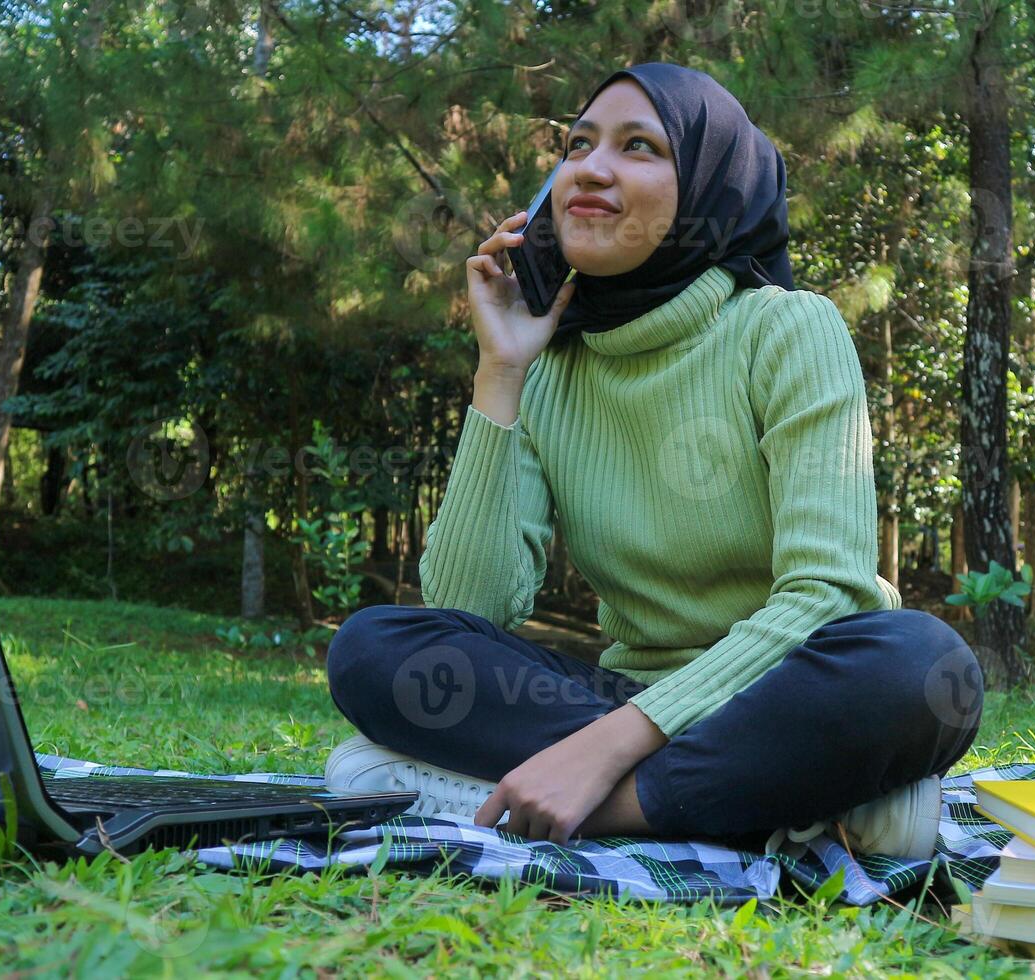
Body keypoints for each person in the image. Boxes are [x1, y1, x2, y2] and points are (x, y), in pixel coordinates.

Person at [323, 62, 983, 859]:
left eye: (639, 146)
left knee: (920, 667)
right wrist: (501, 373)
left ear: (712, 186)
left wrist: (602, 751)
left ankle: (595, 803)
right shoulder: (548, 368)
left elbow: (827, 593)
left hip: (790, 689)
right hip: (620, 694)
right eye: (576, 145)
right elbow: (469, 606)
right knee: (374, 648)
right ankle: (793, 803)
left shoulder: (784, 328)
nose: (589, 168)